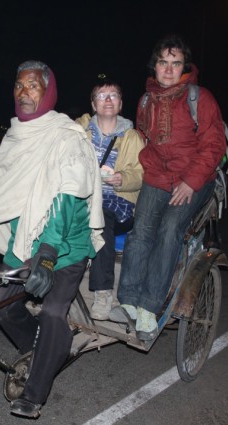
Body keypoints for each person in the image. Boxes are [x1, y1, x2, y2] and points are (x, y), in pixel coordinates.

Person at [0, 59, 104, 419]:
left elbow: (66, 199)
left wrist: (47, 254)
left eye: (33, 85)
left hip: (65, 246)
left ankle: (35, 389)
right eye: (19, 85)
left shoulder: (66, 136)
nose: (24, 92)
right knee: (2, 306)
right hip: (25, 244)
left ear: (48, 90)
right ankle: (45, 351)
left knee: (52, 311)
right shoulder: (15, 137)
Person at [109, 34, 227, 341]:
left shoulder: (200, 98)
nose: (169, 69)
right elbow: (144, 138)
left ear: (184, 67)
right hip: (157, 177)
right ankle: (128, 300)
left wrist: (191, 182)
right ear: (155, 66)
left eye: (176, 63)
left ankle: (150, 307)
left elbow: (213, 146)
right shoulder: (146, 100)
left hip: (194, 177)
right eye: (163, 62)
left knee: (169, 229)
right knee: (141, 231)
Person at [75, 77, 145, 320]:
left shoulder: (132, 137)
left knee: (100, 219)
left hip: (118, 201)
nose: (107, 100)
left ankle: (103, 292)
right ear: (93, 104)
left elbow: (141, 174)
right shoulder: (79, 131)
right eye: (101, 96)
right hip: (84, 198)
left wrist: (122, 178)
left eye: (113, 95)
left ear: (120, 103)